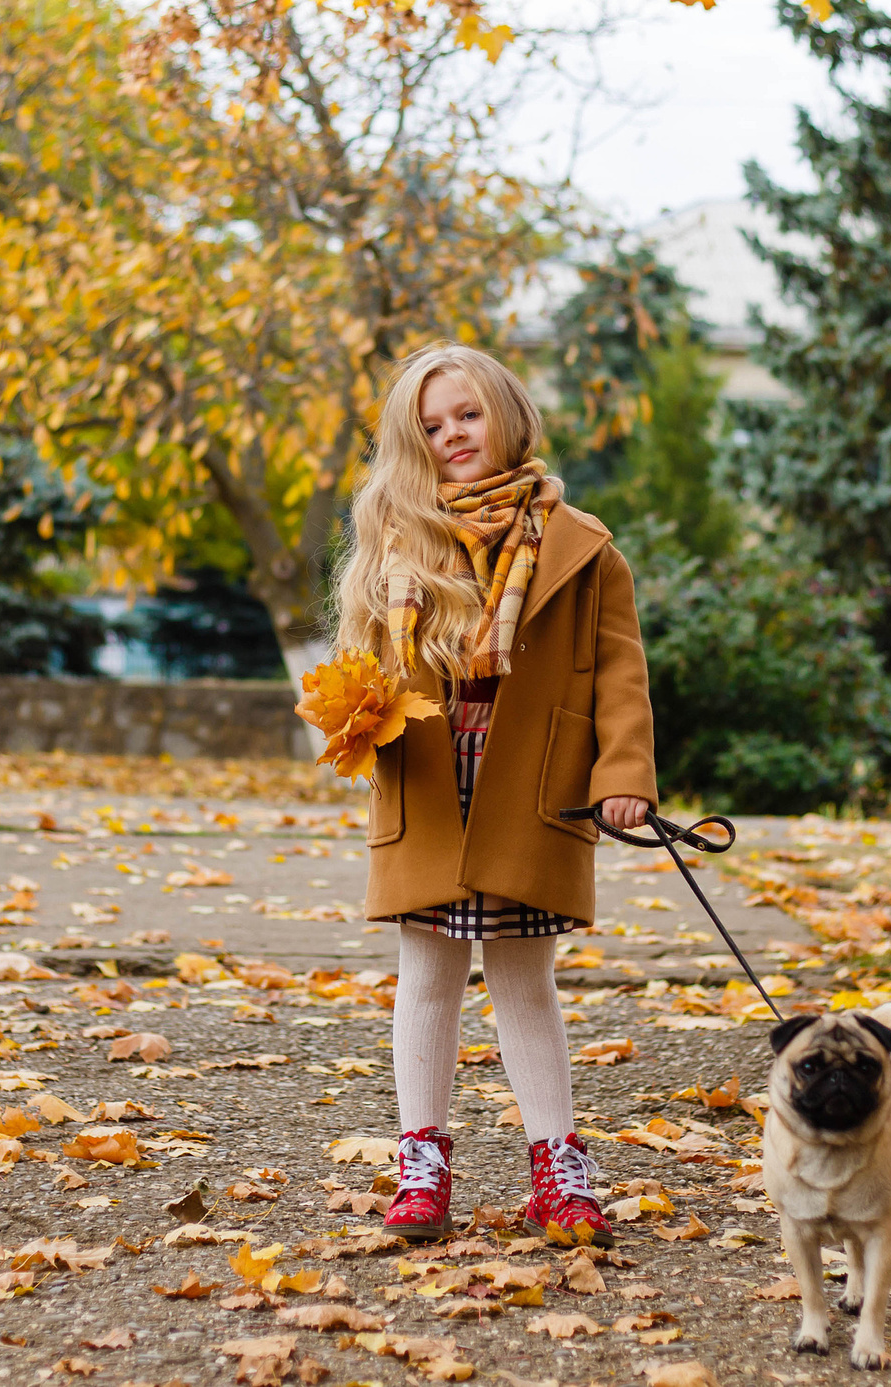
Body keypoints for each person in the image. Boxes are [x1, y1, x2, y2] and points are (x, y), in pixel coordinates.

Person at [328, 341, 660, 1245]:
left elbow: (621, 677)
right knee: (427, 972)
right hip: (431, 776)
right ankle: (421, 1161)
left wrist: (623, 774)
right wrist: (354, 708)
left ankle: (558, 1162)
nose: (451, 436)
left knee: (524, 976)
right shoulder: (399, 536)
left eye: (466, 415)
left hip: (528, 779)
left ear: (506, 413)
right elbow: (361, 660)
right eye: (431, 427)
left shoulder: (583, 547)